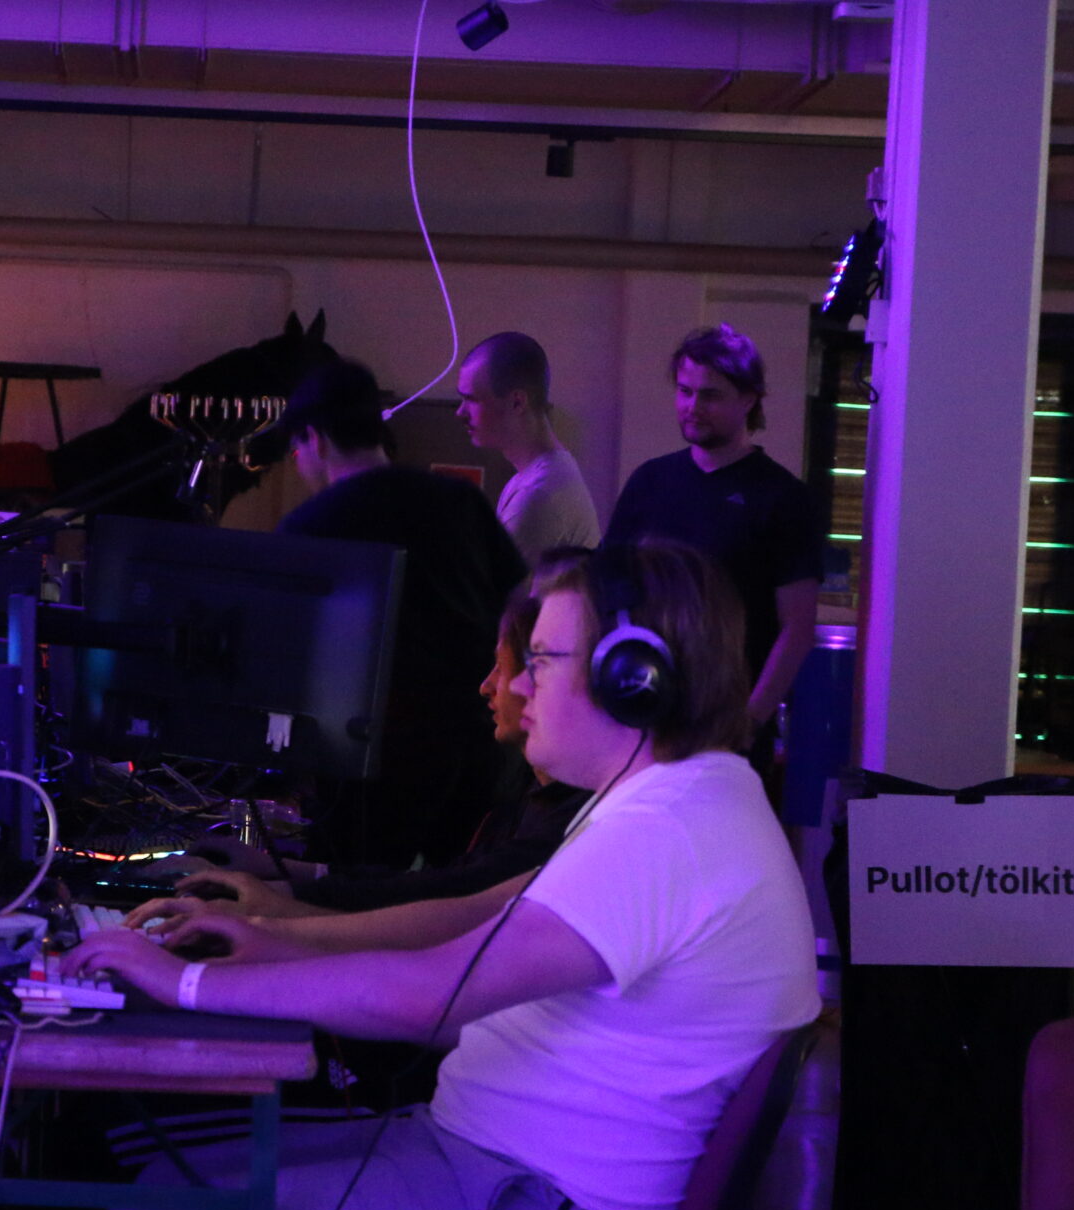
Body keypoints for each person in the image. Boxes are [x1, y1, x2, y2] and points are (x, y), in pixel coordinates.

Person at [66, 539, 819, 1210]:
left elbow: (434, 994)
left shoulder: (669, 831)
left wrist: (186, 982)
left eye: (542, 660)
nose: (519, 685)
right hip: (487, 1161)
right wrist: (280, 938)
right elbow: (473, 915)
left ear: (630, 679)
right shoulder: (671, 801)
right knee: (164, 1177)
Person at [154, 573, 589, 925]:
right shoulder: (531, 797)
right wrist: (283, 873)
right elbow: (442, 884)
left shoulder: (567, 825)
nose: (489, 686)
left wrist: (278, 905)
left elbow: (443, 904)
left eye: (517, 667)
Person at [274, 360, 528, 871]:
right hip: (477, 747)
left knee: (351, 896)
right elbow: (521, 604)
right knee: (456, 892)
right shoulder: (459, 500)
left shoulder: (310, 528)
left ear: (315, 438)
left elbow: (289, 660)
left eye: (296, 450)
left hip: (370, 761)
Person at [601, 324, 825, 733]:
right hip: (644, 708)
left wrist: (750, 720)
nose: (693, 407)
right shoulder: (650, 481)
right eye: (685, 391)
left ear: (748, 399)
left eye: (710, 395)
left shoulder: (782, 497)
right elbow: (608, 592)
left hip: (728, 717)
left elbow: (797, 628)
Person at [456, 332, 599, 565]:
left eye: (471, 399)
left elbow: (500, 588)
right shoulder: (534, 478)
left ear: (517, 402)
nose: (460, 412)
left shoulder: (538, 495)